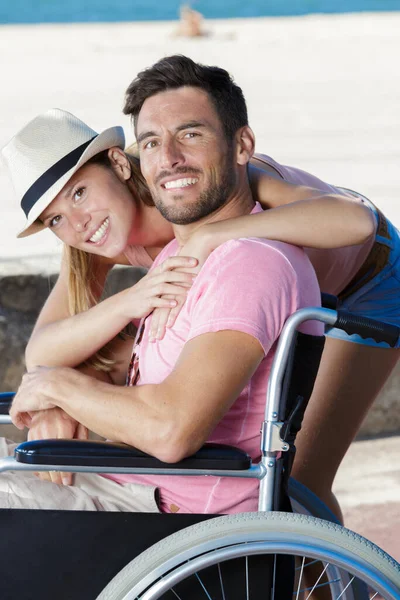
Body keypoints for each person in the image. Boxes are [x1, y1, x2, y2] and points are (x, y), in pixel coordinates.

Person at [1, 56, 397, 515]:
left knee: (303, 478)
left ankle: (332, 582)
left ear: (118, 164)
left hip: (369, 280)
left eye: (79, 192)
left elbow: (354, 221)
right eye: (55, 219)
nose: (76, 221)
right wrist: (125, 306)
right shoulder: (96, 236)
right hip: (279, 302)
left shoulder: (214, 185)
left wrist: (212, 235)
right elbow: (44, 352)